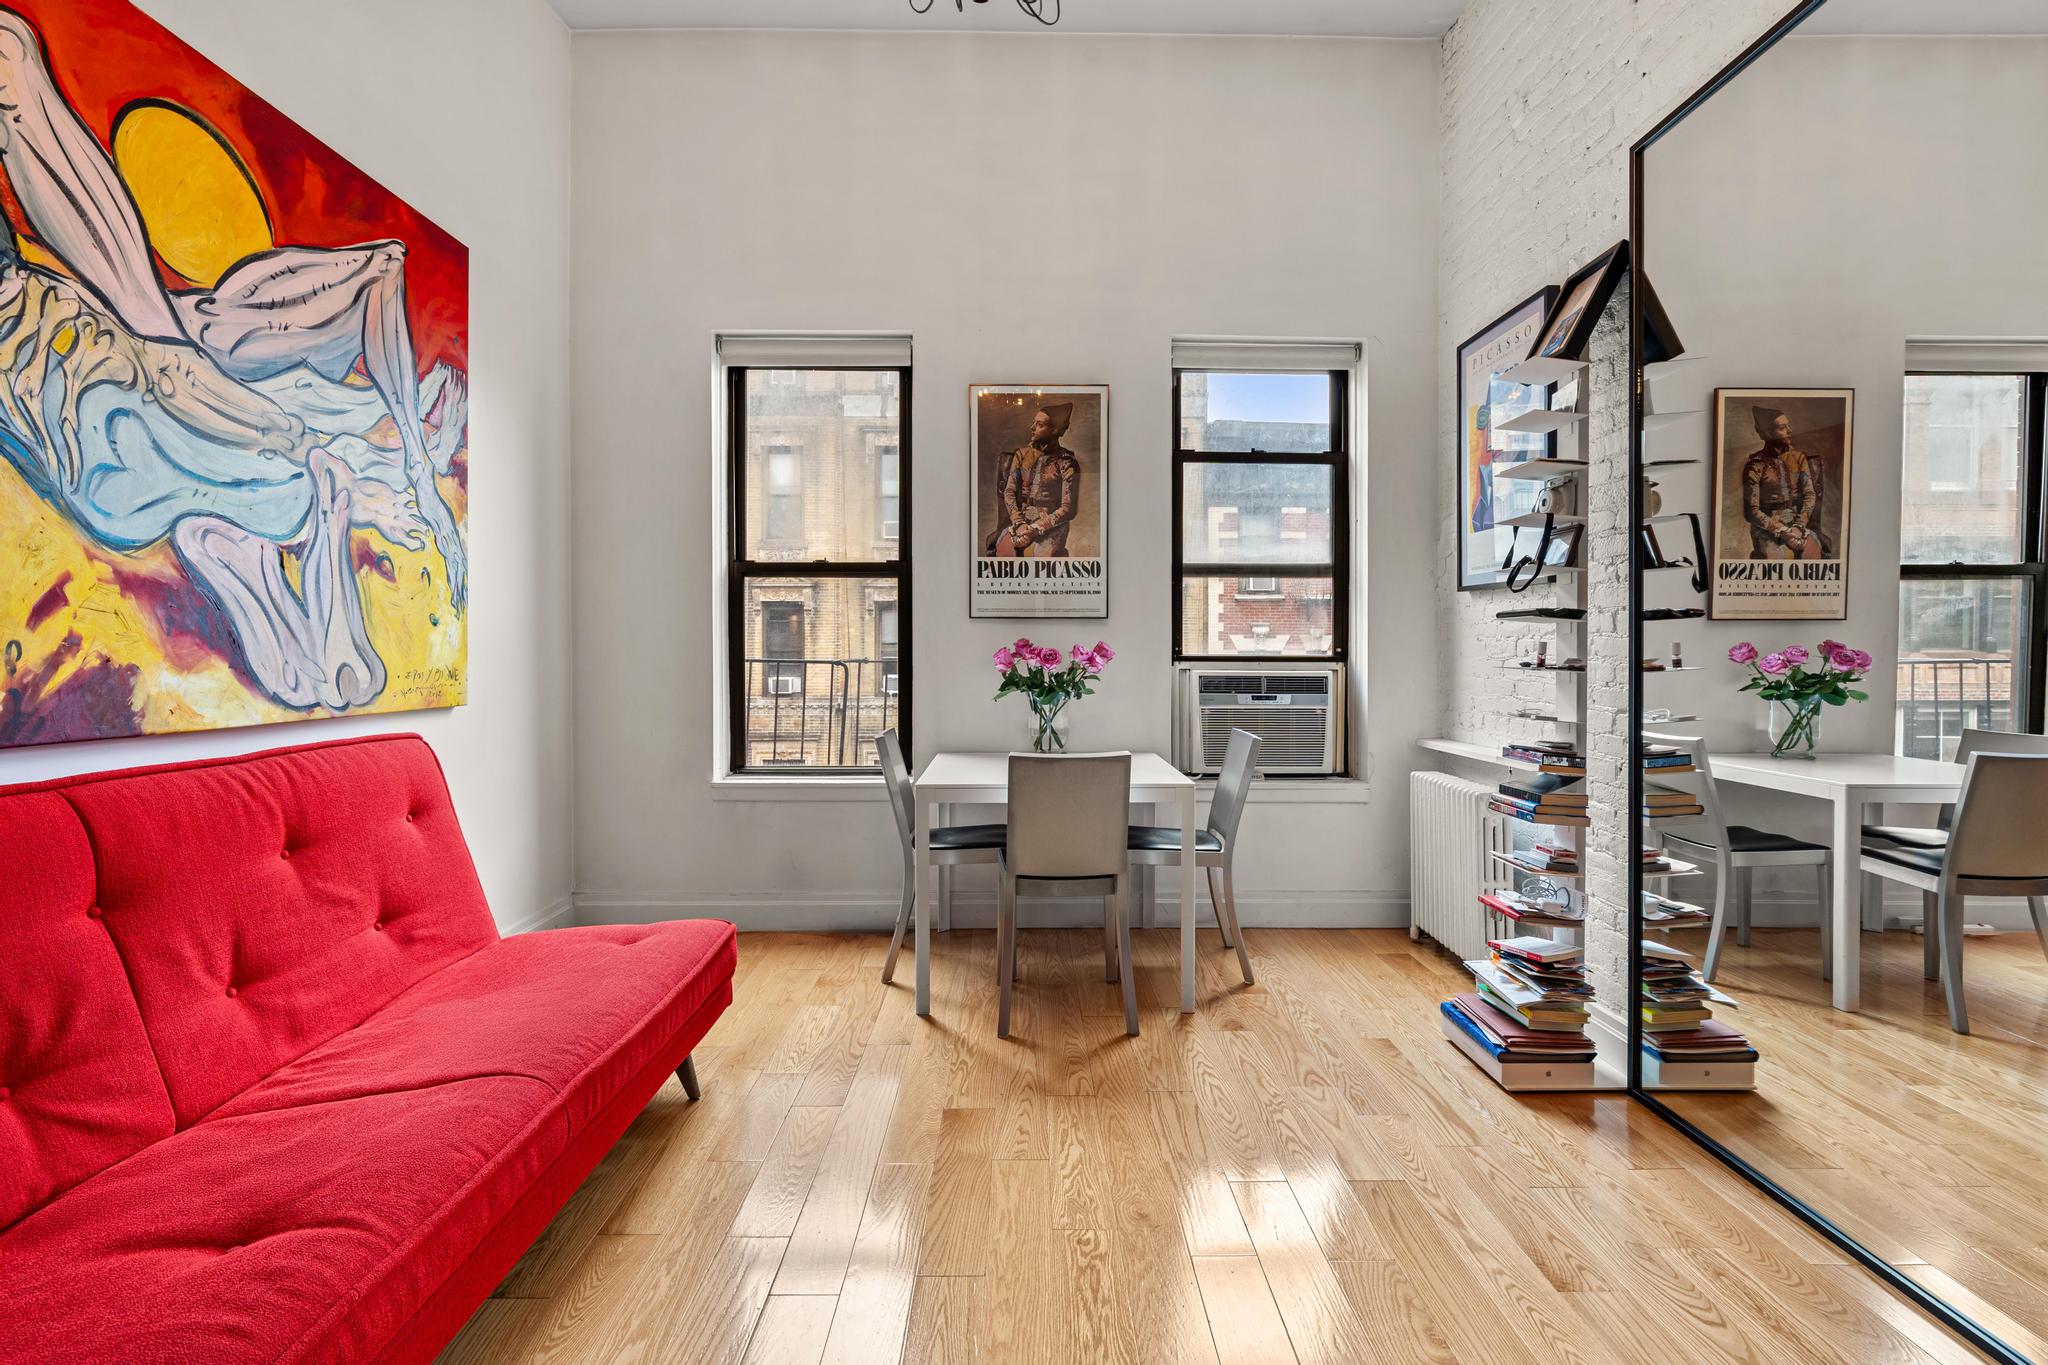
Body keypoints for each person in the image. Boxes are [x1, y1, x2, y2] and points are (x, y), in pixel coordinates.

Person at [0, 8, 466, 712]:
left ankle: (299, 498)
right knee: (177, 382)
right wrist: (397, 460)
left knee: (170, 390)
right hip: (99, 396)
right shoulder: (228, 332)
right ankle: (310, 493)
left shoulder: (233, 332)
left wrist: (401, 458)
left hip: (90, 420)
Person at [989, 402, 1081, 558]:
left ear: (1055, 430)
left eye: (1040, 425)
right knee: (1005, 553)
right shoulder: (1022, 455)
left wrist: (1036, 529)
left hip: (1052, 526)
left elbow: (1068, 509)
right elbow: (1009, 492)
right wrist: (1019, 523)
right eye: (1034, 422)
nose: (1032, 427)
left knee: (1042, 559)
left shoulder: (1067, 462)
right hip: (1021, 521)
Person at [1739, 405, 1826, 560]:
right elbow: (1751, 511)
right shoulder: (1755, 465)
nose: (1789, 431)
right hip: (1767, 529)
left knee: (1812, 553)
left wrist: (1799, 526)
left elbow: (1809, 495)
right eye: (1782, 427)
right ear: (1767, 433)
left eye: (1788, 426)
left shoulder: (1798, 458)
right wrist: (1781, 530)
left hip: (1797, 524)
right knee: (1776, 559)